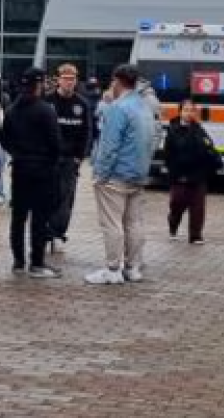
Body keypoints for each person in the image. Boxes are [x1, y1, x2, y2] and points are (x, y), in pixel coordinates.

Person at [86, 64, 157, 285]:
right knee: (134, 223)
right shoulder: (145, 107)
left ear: (117, 81)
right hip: (138, 173)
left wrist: (99, 174)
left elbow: (109, 147)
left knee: (112, 223)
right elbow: (154, 139)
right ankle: (132, 267)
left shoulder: (117, 108)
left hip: (116, 175)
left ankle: (112, 268)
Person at [0, 67, 63, 278]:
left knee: (18, 217)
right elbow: (55, 142)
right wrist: (52, 161)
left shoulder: (11, 110)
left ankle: (18, 261)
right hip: (42, 170)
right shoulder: (46, 110)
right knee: (39, 217)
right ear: (38, 84)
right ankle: (37, 262)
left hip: (20, 169)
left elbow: (4, 139)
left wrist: (18, 154)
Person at [47, 63, 92, 254]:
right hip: (48, 160)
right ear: (58, 80)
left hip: (69, 160)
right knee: (47, 197)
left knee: (65, 199)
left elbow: (87, 133)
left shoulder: (81, 104)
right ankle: (44, 232)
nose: (69, 82)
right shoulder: (47, 101)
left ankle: (57, 232)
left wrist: (79, 157)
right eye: (65, 78)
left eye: (72, 79)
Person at [164, 99, 219, 245]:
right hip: (179, 175)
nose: (189, 113)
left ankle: (195, 235)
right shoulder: (172, 129)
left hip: (197, 174)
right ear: (180, 111)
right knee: (177, 204)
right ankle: (173, 226)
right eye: (186, 110)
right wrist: (173, 172)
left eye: (191, 110)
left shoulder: (199, 129)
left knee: (198, 206)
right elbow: (168, 154)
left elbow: (209, 146)